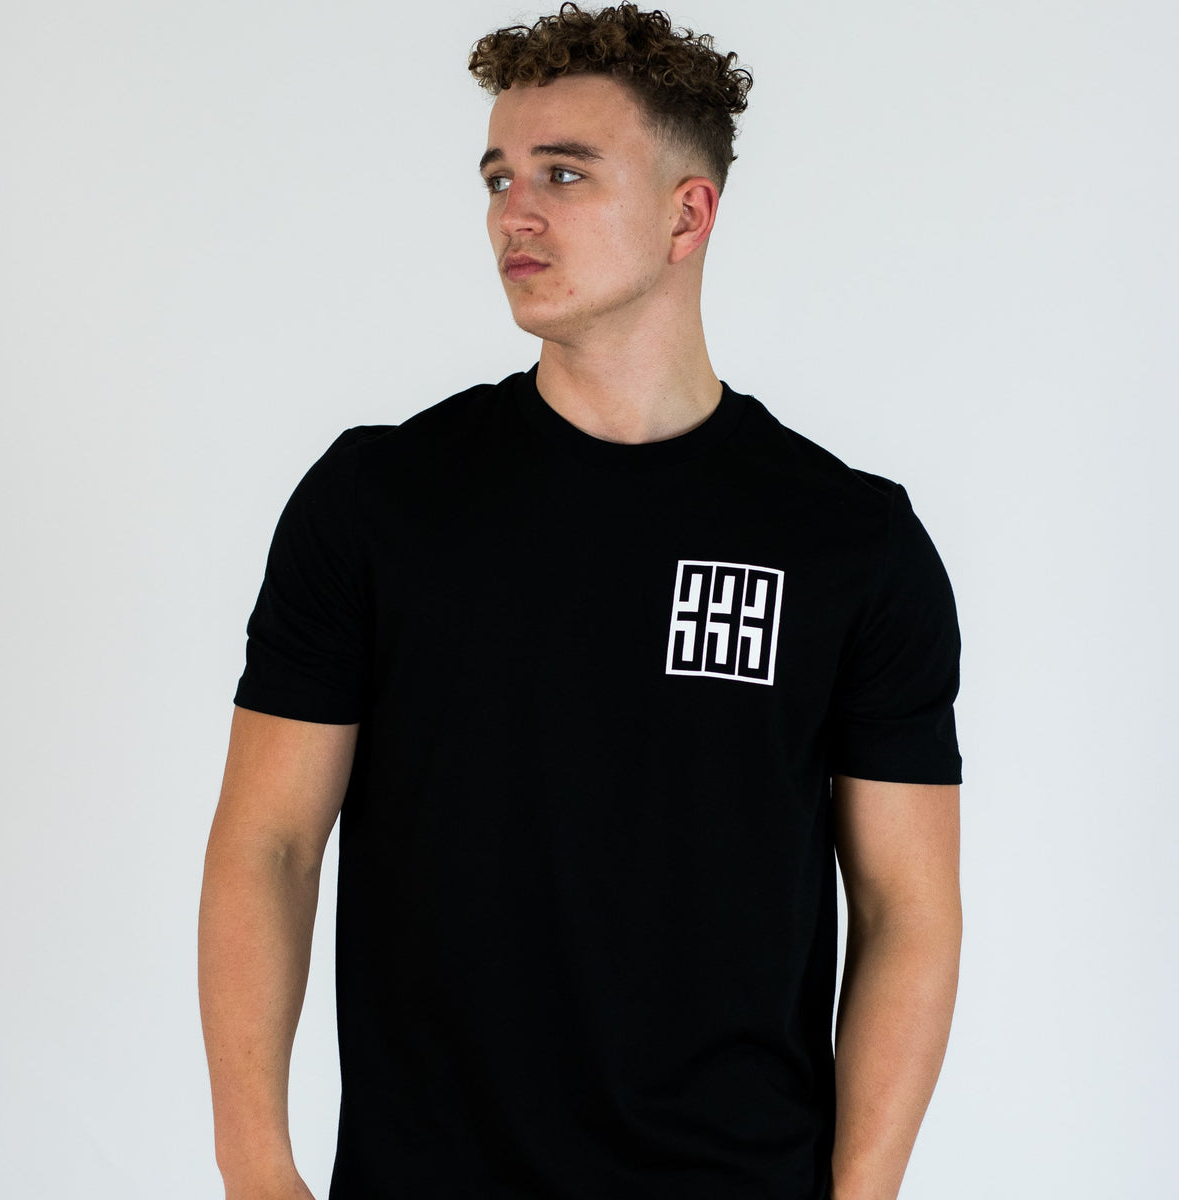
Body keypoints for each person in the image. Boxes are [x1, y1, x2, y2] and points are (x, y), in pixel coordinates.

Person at [197, 4, 964, 1199]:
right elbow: (271, 843)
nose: (514, 210)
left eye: (564, 173)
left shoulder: (848, 541)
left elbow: (906, 907)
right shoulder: (381, 500)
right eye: (498, 175)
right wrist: (255, 1167)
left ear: (687, 215)